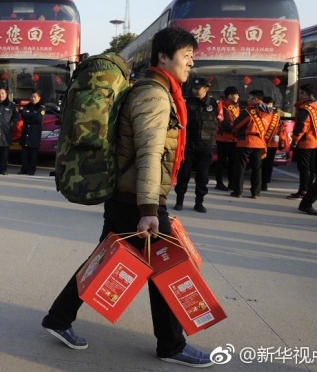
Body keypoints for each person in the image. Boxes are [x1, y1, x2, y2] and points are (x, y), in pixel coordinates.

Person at [42, 27, 214, 367]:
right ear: (163, 56)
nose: (191, 63)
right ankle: (171, 345)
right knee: (165, 267)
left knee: (106, 260)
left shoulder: (156, 90)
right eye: (187, 56)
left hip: (128, 195)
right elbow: (150, 154)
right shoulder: (154, 95)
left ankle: (59, 318)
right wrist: (150, 208)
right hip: (139, 198)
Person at [173, 77, 219, 213]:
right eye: (193, 88)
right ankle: (179, 201)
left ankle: (199, 202)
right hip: (189, 143)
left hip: (205, 144)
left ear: (206, 89)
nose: (194, 91)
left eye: (198, 89)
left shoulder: (214, 104)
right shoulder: (187, 102)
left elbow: (218, 121)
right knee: (184, 174)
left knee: (202, 176)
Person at [230, 89, 272, 198]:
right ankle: (255, 192)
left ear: (255, 99)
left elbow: (236, 125)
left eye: (249, 98)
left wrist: (237, 134)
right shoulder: (269, 112)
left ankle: (238, 191)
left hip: (246, 140)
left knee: (240, 167)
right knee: (257, 168)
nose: (248, 100)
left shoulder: (248, 111)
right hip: (260, 142)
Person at [288, 84, 317, 198]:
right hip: (316, 141)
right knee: (310, 167)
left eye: (300, 93)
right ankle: (308, 189)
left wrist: (294, 139)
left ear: (305, 94)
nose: (299, 95)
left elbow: (302, 126)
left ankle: (303, 190)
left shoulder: (305, 109)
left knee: (304, 167)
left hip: (305, 141)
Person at [214, 86, 240, 191]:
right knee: (221, 162)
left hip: (234, 139)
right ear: (230, 96)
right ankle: (219, 183)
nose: (238, 97)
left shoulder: (236, 107)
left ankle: (231, 183)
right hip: (224, 138)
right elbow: (224, 123)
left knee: (233, 162)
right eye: (236, 95)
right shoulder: (223, 106)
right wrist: (236, 130)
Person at [260, 96, 288, 191]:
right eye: (266, 104)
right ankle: (258, 182)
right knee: (259, 163)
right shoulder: (260, 113)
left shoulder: (276, 115)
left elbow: (281, 129)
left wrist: (281, 140)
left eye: (270, 105)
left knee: (268, 164)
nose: (268, 106)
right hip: (261, 142)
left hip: (272, 143)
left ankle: (264, 183)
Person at [18, 91, 45, 175]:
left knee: (33, 153)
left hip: (34, 133)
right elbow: (23, 115)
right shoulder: (26, 107)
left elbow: (38, 119)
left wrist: (28, 116)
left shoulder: (41, 108)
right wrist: (32, 115)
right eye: (32, 97)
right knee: (24, 153)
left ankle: (31, 170)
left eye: (35, 97)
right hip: (26, 132)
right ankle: (24, 169)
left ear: (39, 98)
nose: (33, 98)